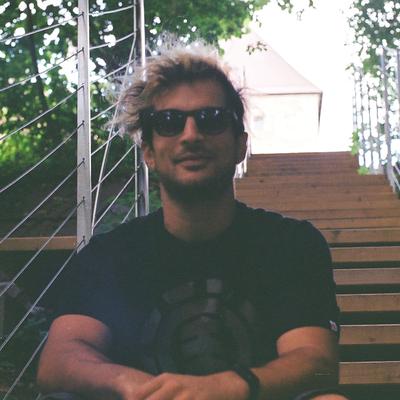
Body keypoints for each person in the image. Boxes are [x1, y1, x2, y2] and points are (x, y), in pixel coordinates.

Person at [37, 43, 348, 400]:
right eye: (169, 122)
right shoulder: (111, 255)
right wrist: (131, 384)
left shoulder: (290, 245)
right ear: (149, 152)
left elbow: (316, 362)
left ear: (240, 145)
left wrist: (228, 386)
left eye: (211, 119)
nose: (190, 135)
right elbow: (59, 360)